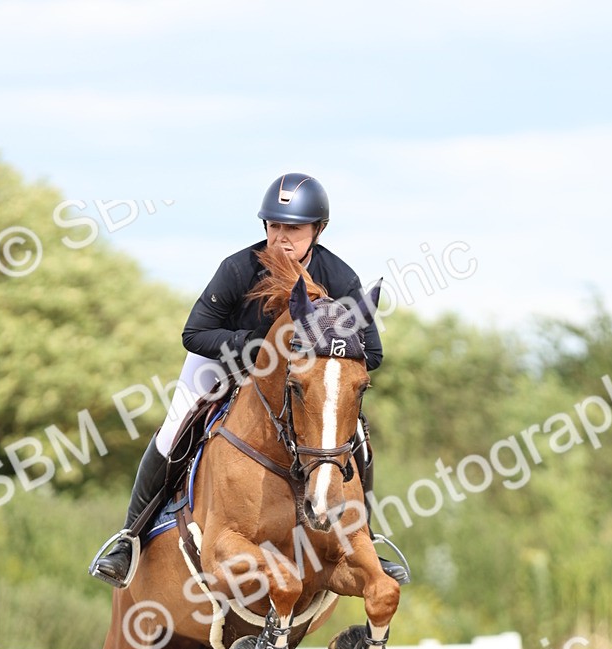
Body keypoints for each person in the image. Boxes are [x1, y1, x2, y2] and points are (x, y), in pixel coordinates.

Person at [90, 172, 406, 587]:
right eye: (274, 226)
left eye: (293, 229)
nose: (281, 238)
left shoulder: (340, 277)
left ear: (318, 230)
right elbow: (194, 334)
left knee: (357, 439)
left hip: (299, 381)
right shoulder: (239, 268)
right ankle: (129, 538)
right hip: (224, 364)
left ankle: (367, 537)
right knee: (172, 430)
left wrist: (324, 354)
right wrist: (255, 346)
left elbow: (373, 354)